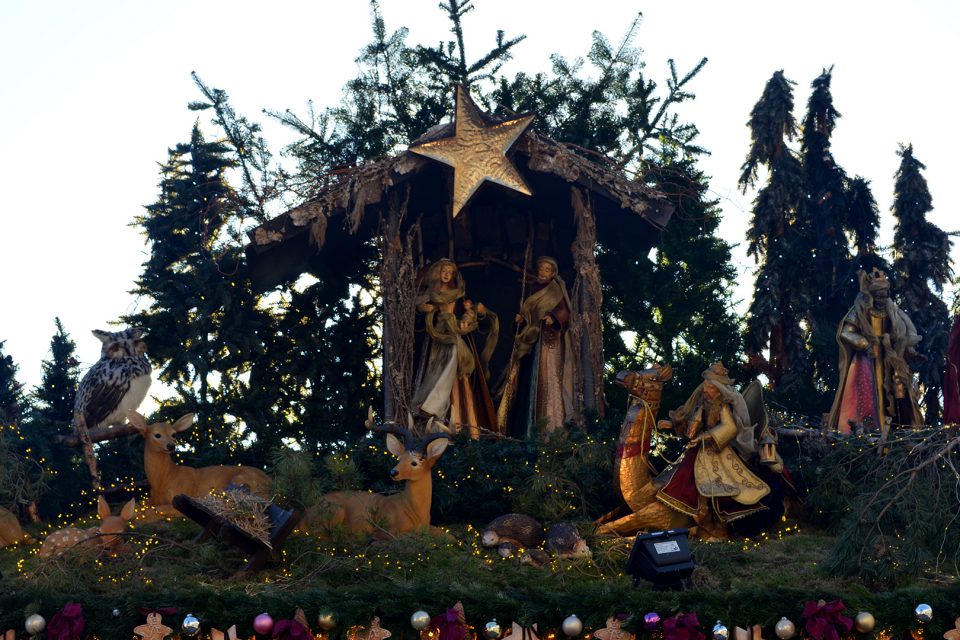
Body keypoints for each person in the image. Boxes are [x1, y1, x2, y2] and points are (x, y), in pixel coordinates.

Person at [654, 362, 771, 539]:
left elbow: (730, 428)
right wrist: (671, 424)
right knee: (683, 477)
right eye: (705, 386)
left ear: (719, 390)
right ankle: (690, 516)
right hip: (697, 450)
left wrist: (706, 436)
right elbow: (689, 419)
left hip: (717, 451)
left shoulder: (722, 406)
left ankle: (715, 523)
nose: (706, 390)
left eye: (710, 387)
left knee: (717, 484)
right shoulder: (701, 401)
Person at [826, 268, 923, 435]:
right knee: (869, 395)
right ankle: (864, 432)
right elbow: (846, 332)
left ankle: (898, 430)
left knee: (897, 392)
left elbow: (902, 334)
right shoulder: (861, 310)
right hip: (866, 361)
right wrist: (865, 344)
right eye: (879, 294)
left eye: (885, 294)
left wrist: (910, 351)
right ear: (872, 294)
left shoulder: (892, 311)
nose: (882, 298)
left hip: (890, 358)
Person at [410, 259, 499, 437]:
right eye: (444, 270)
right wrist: (422, 310)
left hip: (454, 337)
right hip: (435, 342)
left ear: (453, 275)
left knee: (454, 356)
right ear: (438, 272)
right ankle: (430, 419)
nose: (446, 274)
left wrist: (471, 316)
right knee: (435, 371)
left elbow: (471, 317)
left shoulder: (459, 294)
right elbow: (418, 323)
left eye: (450, 272)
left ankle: (441, 412)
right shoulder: (430, 293)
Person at [496, 256, 575, 437]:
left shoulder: (556, 291)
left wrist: (553, 317)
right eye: (541, 268)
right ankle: (517, 427)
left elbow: (565, 311)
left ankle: (544, 427)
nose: (542, 272)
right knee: (523, 380)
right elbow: (527, 314)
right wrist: (521, 320)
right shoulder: (532, 289)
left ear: (553, 273)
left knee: (544, 379)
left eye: (547, 269)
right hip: (529, 340)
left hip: (547, 341)